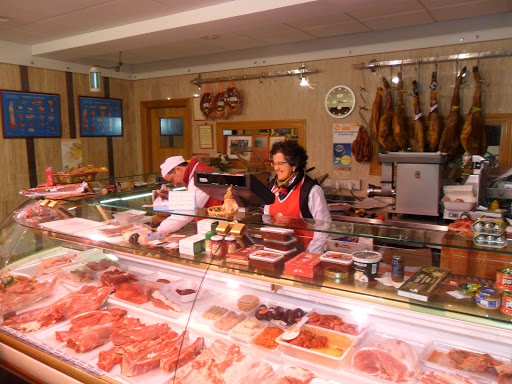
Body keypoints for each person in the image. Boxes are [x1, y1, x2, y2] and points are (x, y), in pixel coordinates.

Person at [264, 141, 331, 254]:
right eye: (274, 163)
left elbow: (324, 227)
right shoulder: (272, 187)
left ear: (294, 164)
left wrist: (309, 255)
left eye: (281, 163)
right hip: (278, 251)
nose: (276, 168)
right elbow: (267, 219)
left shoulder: (310, 190)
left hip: (305, 251)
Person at [157, 156, 222, 235]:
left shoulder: (201, 175)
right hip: (211, 224)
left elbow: (187, 211)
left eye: (172, 180)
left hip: (219, 226)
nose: (175, 185)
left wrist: (160, 230)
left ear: (178, 169)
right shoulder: (196, 172)